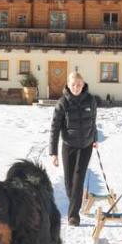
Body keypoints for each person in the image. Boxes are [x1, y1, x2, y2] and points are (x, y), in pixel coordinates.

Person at [49, 68, 98, 226]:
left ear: (83, 84)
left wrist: (95, 139)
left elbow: (93, 121)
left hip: (86, 146)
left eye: (79, 84)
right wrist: (53, 152)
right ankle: (75, 201)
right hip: (69, 146)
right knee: (69, 181)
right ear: (68, 85)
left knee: (78, 178)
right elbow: (55, 128)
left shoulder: (91, 100)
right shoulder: (62, 103)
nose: (76, 87)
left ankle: (73, 215)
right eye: (73, 85)